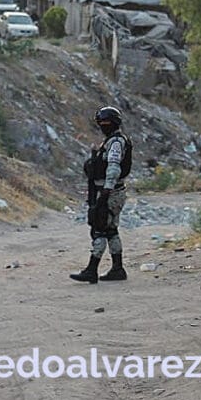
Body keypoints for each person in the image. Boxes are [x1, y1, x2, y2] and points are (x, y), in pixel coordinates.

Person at [70, 106, 132, 284]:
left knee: (99, 230)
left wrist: (105, 192)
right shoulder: (114, 141)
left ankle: (91, 270)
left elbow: (113, 167)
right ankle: (117, 268)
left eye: (106, 122)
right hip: (114, 191)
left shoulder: (115, 143)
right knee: (111, 230)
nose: (103, 125)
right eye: (101, 123)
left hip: (110, 192)